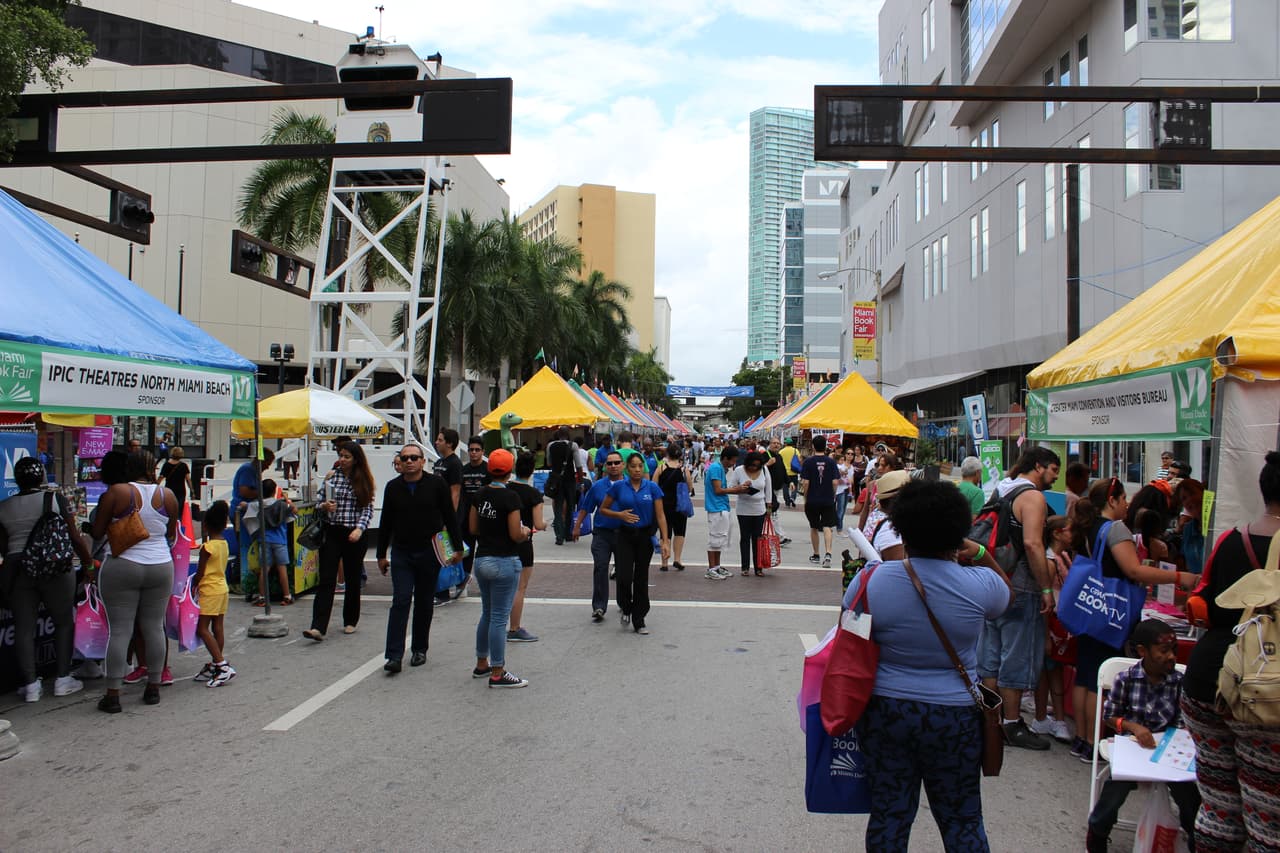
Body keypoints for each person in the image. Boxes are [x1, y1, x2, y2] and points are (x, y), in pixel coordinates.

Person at [846, 479, 1013, 851]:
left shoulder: (870, 580)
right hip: (955, 714)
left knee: (889, 814)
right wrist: (980, 553)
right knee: (962, 818)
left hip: (886, 710)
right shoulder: (980, 584)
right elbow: (1007, 596)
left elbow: (850, 635)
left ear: (900, 528)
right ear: (959, 530)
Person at [1180, 451, 1280, 852]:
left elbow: (1205, 605)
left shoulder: (1230, 538)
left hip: (1209, 677)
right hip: (1265, 690)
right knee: (1268, 822)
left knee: (1219, 807)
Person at [1067, 477, 1197, 759]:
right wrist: (1179, 577)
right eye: (1124, 498)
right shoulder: (1115, 528)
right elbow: (1134, 570)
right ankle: (1094, 742)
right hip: (1110, 612)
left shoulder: (1089, 526)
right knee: (1099, 679)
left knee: (1085, 675)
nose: (1127, 504)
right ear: (1112, 500)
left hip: (1089, 609)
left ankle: (1082, 738)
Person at [1086, 619, 1201, 853]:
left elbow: (1183, 721)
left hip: (1166, 748)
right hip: (1132, 748)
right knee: (1114, 792)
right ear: (1142, 651)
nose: (1171, 657)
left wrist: (1175, 736)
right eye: (1164, 650)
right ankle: (1098, 832)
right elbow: (1110, 716)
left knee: (1189, 796)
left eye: (1174, 650)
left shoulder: (1179, 682)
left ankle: (1197, 838)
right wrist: (1133, 727)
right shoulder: (1126, 679)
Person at [976, 446, 1063, 751]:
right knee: (1015, 658)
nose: (1055, 477)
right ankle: (1012, 724)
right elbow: (1033, 544)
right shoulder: (1032, 497)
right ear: (1039, 466)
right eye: (1054, 470)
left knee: (990, 659)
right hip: (1021, 586)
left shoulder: (1001, 488)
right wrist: (1046, 589)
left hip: (993, 581)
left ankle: (990, 719)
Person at [90, 451, 179, 713]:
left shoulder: (117, 492)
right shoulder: (168, 495)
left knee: (120, 630)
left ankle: (113, 694)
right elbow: (170, 534)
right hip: (160, 565)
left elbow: (98, 531)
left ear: (129, 467)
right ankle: (153, 687)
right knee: (154, 627)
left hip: (122, 565)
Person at [0, 457, 93, 702]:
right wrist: (88, 563)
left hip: (18, 568)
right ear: (42, 475)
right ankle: (62, 679)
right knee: (63, 622)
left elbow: (3, 547)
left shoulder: (3, 507)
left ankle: (31, 686)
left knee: (24, 627)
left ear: (17, 479)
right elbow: (74, 536)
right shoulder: (54, 499)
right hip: (54, 565)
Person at [375, 442, 463, 673]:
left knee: (424, 601)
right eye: (405, 458)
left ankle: (419, 649)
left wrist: (457, 548)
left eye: (414, 457)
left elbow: (449, 516)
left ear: (423, 461)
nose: (409, 461)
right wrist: (381, 554)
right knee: (401, 600)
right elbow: (386, 522)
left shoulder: (437, 484)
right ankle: (394, 655)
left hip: (428, 551)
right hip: (402, 552)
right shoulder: (393, 487)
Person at [469, 449, 531, 688]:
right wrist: (525, 532)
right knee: (498, 617)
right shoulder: (510, 497)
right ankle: (498, 671)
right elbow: (515, 534)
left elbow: (473, 528)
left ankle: (481, 663)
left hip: (482, 558)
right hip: (504, 559)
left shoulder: (479, 494)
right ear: (509, 470)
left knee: (487, 613)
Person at [303, 442, 374, 641]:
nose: (342, 460)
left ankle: (350, 619)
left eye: (346, 456)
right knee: (326, 578)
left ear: (356, 459)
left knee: (352, 578)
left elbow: (367, 508)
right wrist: (324, 506)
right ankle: (318, 626)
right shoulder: (332, 477)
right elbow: (318, 502)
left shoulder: (363, 480)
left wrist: (359, 529)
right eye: (340, 455)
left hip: (353, 533)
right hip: (332, 531)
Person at [600, 453, 669, 634]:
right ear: (626, 468)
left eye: (640, 466)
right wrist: (620, 515)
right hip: (624, 535)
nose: (637, 470)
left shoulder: (652, 487)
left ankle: (639, 619)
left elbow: (661, 515)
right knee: (623, 576)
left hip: (645, 536)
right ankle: (626, 607)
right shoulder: (618, 487)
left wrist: (665, 541)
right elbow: (603, 509)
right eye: (633, 466)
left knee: (641, 578)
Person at [1030, 515, 1075, 746]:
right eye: (1070, 530)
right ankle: (1049, 718)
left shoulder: (1064, 557)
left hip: (1059, 624)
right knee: (1048, 672)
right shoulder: (1049, 562)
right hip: (1051, 624)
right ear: (1057, 533)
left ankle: (1053, 718)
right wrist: (1046, 634)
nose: (1073, 534)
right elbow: (1044, 599)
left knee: (1053, 671)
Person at [574, 449, 625, 621]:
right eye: (609, 463)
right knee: (601, 567)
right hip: (602, 534)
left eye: (616, 463)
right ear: (605, 467)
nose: (613, 466)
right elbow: (586, 508)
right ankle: (599, 606)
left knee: (624, 570)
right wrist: (577, 526)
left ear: (623, 465)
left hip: (624, 534)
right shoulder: (598, 486)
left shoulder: (630, 485)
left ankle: (624, 603)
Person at [192, 500, 235, 688]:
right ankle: (216, 662)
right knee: (218, 626)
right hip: (222, 588)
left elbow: (200, 573)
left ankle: (221, 664)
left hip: (209, 590)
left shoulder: (207, 548)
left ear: (206, 525)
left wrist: (192, 585)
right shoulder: (224, 543)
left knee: (202, 629)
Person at [506, 451, 547, 643]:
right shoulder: (533, 494)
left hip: (503, 543)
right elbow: (538, 523)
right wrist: (545, 525)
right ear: (532, 471)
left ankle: (496, 625)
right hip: (523, 544)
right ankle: (514, 628)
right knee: (519, 587)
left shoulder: (506, 489)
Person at [229, 447, 274, 595]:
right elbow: (244, 491)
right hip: (241, 512)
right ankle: (237, 580)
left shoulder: (253, 471)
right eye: (268, 463)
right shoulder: (248, 470)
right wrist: (262, 493)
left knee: (246, 546)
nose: (268, 467)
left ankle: (241, 578)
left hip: (247, 511)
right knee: (244, 546)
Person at [248, 478, 293, 606]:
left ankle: (262, 597)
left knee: (264, 569)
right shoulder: (281, 505)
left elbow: (249, 513)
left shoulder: (257, 505)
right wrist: (287, 499)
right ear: (274, 491)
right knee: (282, 568)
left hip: (264, 539)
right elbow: (293, 511)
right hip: (280, 540)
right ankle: (287, 596)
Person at [728, 451, 771, 576]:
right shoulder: (739, 470)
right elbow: (731, 487)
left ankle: (758, 567)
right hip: (743, 509)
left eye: (756, 466)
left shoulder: (764, 470)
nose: (754, 468)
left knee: (758, 538)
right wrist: (742, 487)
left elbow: (768, 489)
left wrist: (769, 507)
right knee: (745, 538)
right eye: (752, 465)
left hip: (759, 509)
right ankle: (745, 567)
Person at [799, 434, 839, 568]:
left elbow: (805, 482)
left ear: (813, 446)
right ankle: (828, 553)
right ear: (825, 446)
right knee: (827, 526)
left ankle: (816, 554)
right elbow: (835, 482)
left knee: (814, 527)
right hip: (827, 499)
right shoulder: (831, 462)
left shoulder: (808, 462)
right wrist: (833, 494)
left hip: (812, 499)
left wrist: (806, 496)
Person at [655, 443, 693, 571]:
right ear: (680, 455)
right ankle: (677, 559)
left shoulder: (661, 468)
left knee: (665, 533)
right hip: (680, 505)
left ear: (667, 454)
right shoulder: (684, 469)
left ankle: (664, 562)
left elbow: (653, 485)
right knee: (680, 532)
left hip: (664, 505)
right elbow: (690, 487)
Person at [704, 446, 738, 581]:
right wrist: (736, 490)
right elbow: (718, 490)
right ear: (725, 458)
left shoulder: (719, 468)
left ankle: (716, 566)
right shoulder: (716, 468)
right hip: (716, 508)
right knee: (714, 540)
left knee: (719, 540)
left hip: (721, 507)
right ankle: (711, 569)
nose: (733, 464)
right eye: (732, 461)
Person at [545, 427, 578, 546]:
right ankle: (568, 534)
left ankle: (559, 536)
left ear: (557, 434)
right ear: (568, 434)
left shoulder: (550, 445)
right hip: (570, 480)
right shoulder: (573, 445)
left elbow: (549, 463)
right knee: (570, 506)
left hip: (556, 480)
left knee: (558, 508)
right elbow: (578, 465)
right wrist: (580, 481)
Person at [763, 439, 792, 546]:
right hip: (768, 490)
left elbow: (783, 471)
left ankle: (771, 535)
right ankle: (780, 536)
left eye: (778, 443)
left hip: (776, 489)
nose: (776, 445)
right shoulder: (765, 455)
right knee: (772, 512)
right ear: (770, 444)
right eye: (774, 443)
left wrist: (789, 482)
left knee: (770, 513)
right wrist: (767, 464)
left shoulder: (779, 456)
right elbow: (758, 469)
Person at [158, 447, 192, 511]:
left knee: (168, 508)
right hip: (180, 490)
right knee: (179, 508)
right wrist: (192, 490)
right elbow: (188, 480)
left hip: (169, 489)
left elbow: (161, 477)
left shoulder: (166, 465)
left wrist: (155, 486)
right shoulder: (183, 466)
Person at [778, 437, 800, 507]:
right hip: (794, 471)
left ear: (785, 443)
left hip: (785, 473)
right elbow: (799, 460)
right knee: (795, 486)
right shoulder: (795, 450)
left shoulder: (781, 451)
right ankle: (792, 498)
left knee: (785, 487)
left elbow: (779, 461)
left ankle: (787, 501)